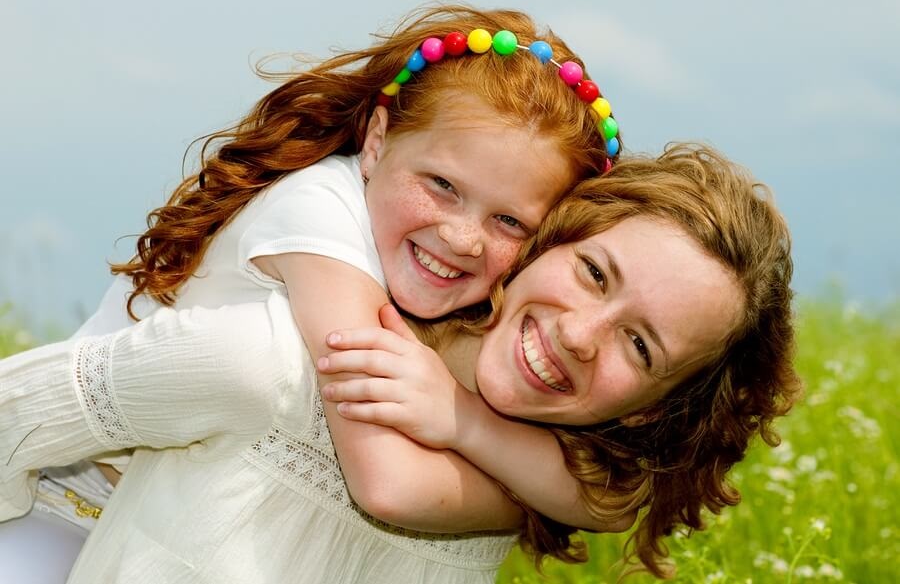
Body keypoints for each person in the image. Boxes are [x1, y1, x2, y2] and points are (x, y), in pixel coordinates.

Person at [1, 3, 623, 580]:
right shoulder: (319, 212)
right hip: (59, 504)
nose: (464, 239)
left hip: (170, 523)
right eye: (442, 185)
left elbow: (606, 497)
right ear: (376, 143)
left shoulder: (474, 299)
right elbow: (381, 476)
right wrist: (527, 490)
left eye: (509, 222)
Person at [0, 144, 798, 581]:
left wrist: (468, 426)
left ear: (651, 408)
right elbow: (20, 410)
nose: (584, 334)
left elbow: (608, 498)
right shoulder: (289, 354)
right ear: (547, 239)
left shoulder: (540, 469)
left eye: (640, 345)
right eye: (594, 273)